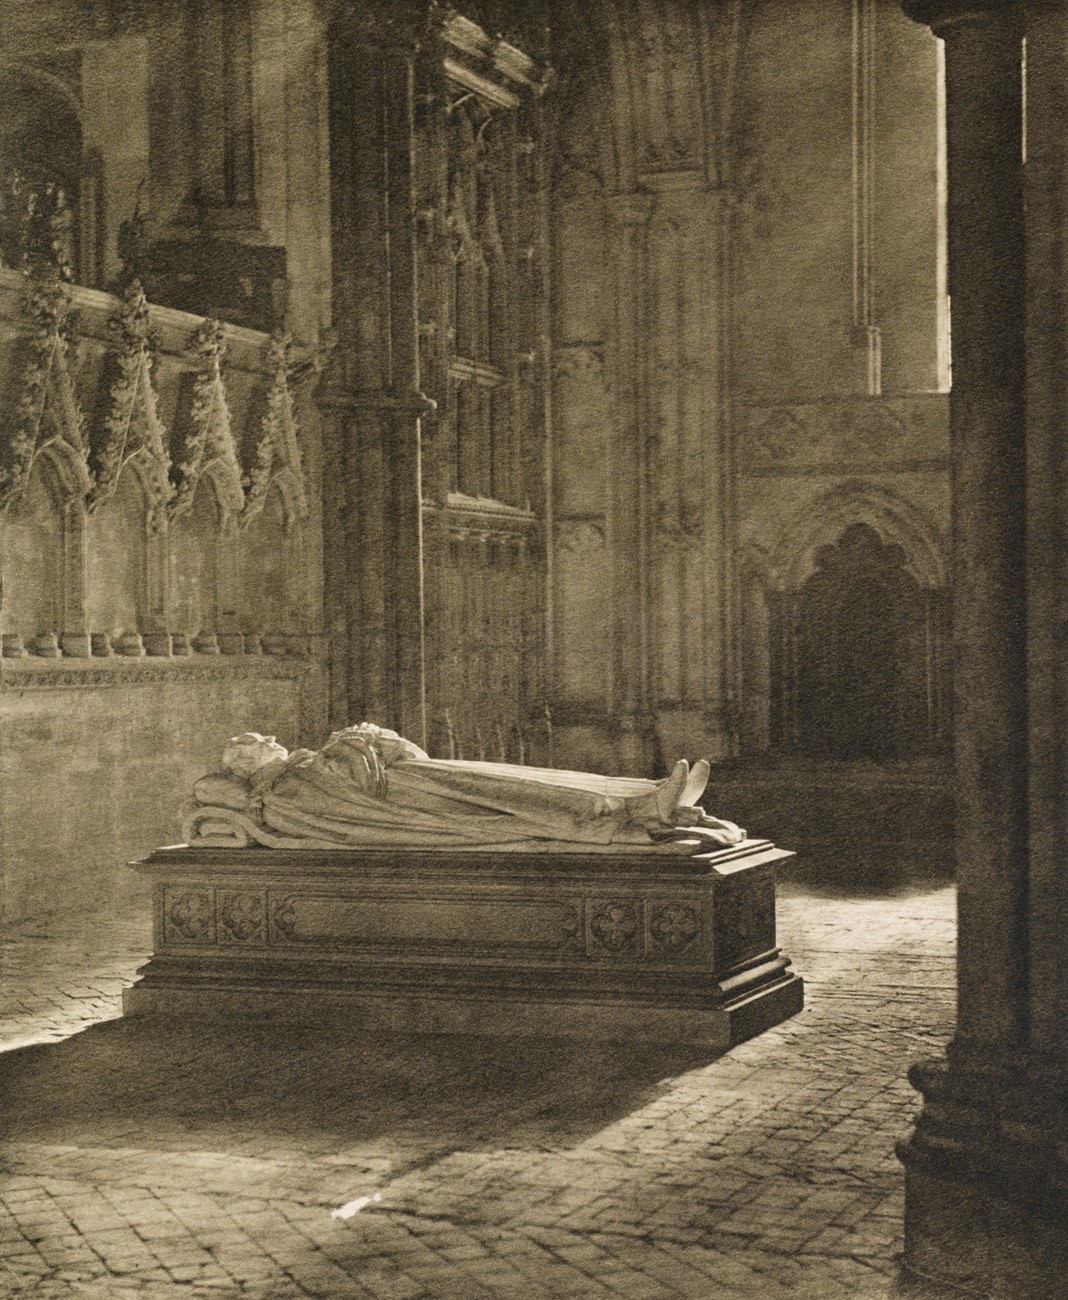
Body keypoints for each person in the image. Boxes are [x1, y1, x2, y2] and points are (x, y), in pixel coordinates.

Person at [189, 722, 746, 853]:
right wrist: (358, 742)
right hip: (416, 800)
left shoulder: (296, 770)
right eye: (254, 741)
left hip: (415, 780)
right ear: (244, 765)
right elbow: (356, 790)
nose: (267, 737)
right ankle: (637, 809)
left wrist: (367, 740)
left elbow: (377, 760)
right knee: (512, 794)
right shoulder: (284, 788)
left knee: (513, 777)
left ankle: (645, 793)